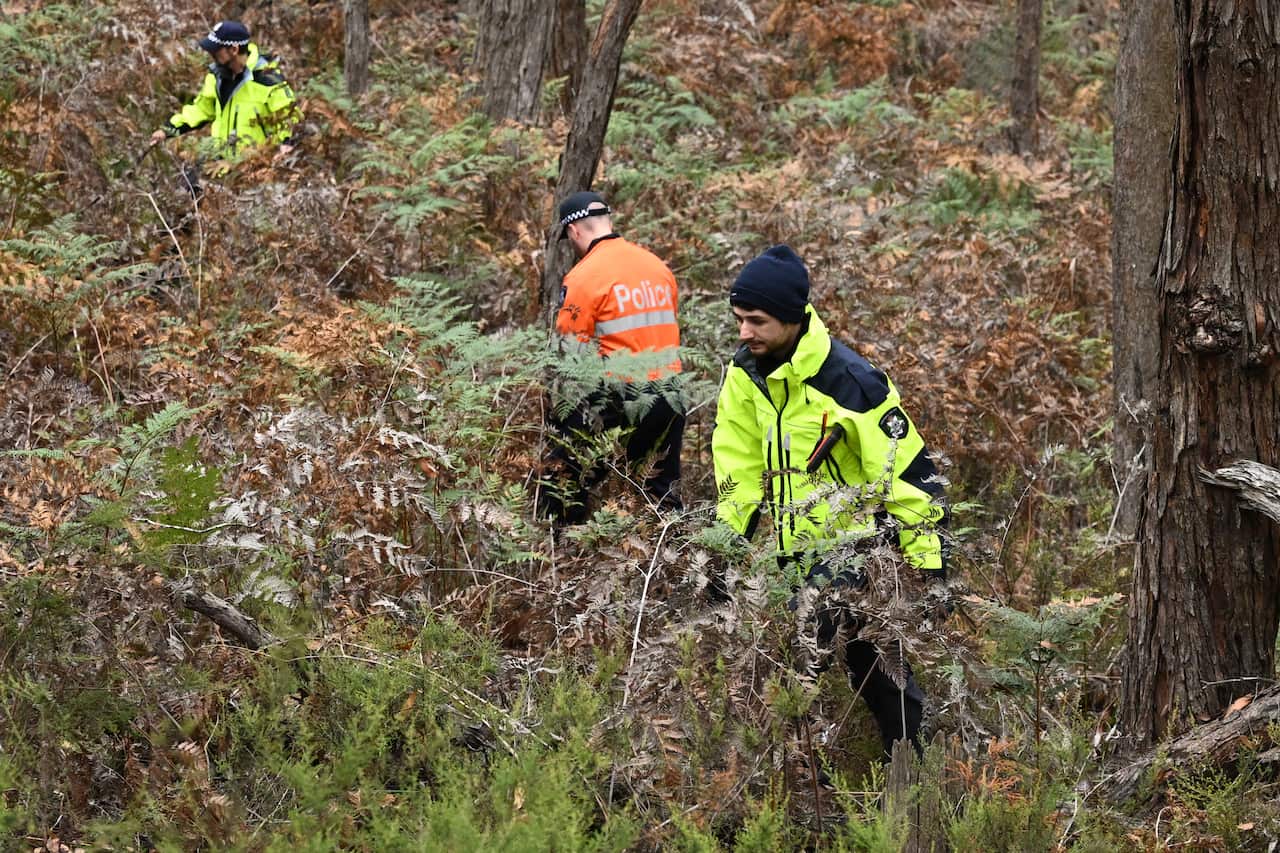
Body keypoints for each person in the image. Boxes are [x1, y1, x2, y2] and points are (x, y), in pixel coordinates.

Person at [711, 244, 949, 759]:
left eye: (756, 320)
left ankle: (914, 778)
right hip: (789, 556)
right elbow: (737, 463)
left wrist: (930, 570)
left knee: (879, 671)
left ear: (793, 319)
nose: (744, 332)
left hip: (860, 554)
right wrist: (725, 544)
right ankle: (796, 790)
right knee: (786, 682)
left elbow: (909, 478)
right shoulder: (743, 374)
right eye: (738, 320)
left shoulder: (852, 383)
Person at [539, 191, 685, 523]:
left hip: (619, 400)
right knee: (661, 495)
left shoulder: (583, 277)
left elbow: (570, 356)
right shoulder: (658, 267)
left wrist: (560, 415)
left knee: (560, 482)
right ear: (608, 221)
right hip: (669, 396)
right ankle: (673, 564)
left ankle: (562, 557)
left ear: (574, 232)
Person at [150, 21, 299, 152]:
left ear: (234, 50)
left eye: (216, 51)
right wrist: (167, 130)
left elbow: (291, 120)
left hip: (254, 171)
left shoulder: (268, 79)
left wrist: (286, 146)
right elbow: (202, 110)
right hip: (220, 167)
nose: (212, 55)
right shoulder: (216, 77)